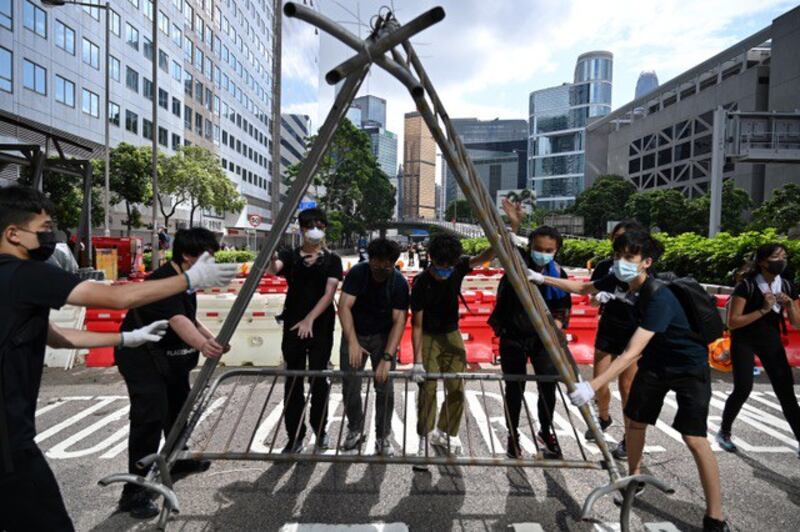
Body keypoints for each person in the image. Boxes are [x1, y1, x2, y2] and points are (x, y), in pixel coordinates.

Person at [0, 186, 236, 532]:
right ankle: (135, 492)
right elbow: (118, 298)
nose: (51, 236)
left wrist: (124, 337)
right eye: (45, 228)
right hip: (9, 437)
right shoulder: (25, 274)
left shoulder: (13, 282)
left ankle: (176, 462)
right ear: (13, 233)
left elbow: (55, 336)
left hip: (15, 428)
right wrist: (189, 280)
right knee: (146, 421)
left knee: (174, 412)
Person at [533, 230, 730, 532]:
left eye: (629, 257)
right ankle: (634, 479)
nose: (620, 262)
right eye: (617, 256)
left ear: (646, 262)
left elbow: (629, 353)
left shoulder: (659, 296)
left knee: (694, 438)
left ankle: (715, 515)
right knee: (635, 422)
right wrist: (542, 278)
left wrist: (593, 386)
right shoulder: (620, 281)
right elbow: (583, 286)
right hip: (655, 362)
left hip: (688, 366)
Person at [115, 228, 232, 518]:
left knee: (179, 406)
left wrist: (211, 339)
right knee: (150, 416)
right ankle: (134, 492)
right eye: (208, 258)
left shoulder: (185, 280)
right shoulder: (165, 280)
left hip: (167, 356)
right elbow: (178, 320)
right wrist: (205, 346)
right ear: (188, 256)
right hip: (140, 356)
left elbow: (189, 317)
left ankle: (176, 458)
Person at [410, 233, 495, 467]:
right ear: (431, 258)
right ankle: (424, 439)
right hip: (428, 336)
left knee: (457, 387)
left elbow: (486, 256)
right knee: (427, 389)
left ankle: (444, 432)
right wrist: (417, 360)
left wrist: (505, 234)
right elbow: (416, 324)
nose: (444, 271)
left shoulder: (458, 268)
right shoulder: (421, 282)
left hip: (452, 335)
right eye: (439, 266)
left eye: (449, 265)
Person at [489, 220, 571, 459]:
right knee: (514, 388)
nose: (542, 254)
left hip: (543, 340)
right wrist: (513, 224)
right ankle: (512, 435)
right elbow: (505, 247)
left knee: (548, 386)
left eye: (549, 251)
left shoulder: (558, 275)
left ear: (556, 251)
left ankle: (545, 431)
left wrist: (555, 328)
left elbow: (563, 307)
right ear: (530, 246)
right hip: (513, 335)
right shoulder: (517, 265)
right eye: (538, 248)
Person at [268, 207, 343, 454]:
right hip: (293, 324)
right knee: (293, 380)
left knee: (319, 379)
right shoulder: (290, 255)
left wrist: (310, 319)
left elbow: (329, 293)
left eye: (321, 226)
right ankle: (294, 436)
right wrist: (270, 251)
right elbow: (272, 269)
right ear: (301, 229)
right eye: (312, 226)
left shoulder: (332, 259)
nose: (316, 230)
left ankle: (320, 431)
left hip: (320, 325)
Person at [717, 243, 800, 457]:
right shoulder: (747, 286)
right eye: (776, 256)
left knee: (786, 393)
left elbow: (797, 323)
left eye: (784, 256)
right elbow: (733, 322)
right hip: (744, 341)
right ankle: (724, 431)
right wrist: (763, 310)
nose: (781, 260)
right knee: (743, 388)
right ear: (763, 262)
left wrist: (790, 305)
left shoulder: (788, 286)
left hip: (771, 342)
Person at [338, 238, 409, 455]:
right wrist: (352, 343)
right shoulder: (358, 273)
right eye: (376, 263)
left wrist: (387, 359)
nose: (380, 268)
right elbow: (344, 306)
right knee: (350, 384)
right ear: (370, 260)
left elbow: (399, 321)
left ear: (394, 263)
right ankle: (355, 429)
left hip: (383, 336)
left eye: (386, 264)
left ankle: (383, 436)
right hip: (355, 332)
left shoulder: (399, 283)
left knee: (385, 387)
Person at [584, 220, 645, 459]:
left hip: (636, 333)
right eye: (617, 238)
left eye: (627, 237)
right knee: (599, 382)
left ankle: (629, 440)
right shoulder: (604, 266)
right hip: (609, 328)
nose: (621, 242)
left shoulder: (643, 266)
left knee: (628, 387)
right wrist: (599, 296)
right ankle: (604, 416)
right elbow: (588, 293)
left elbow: (652, 297)